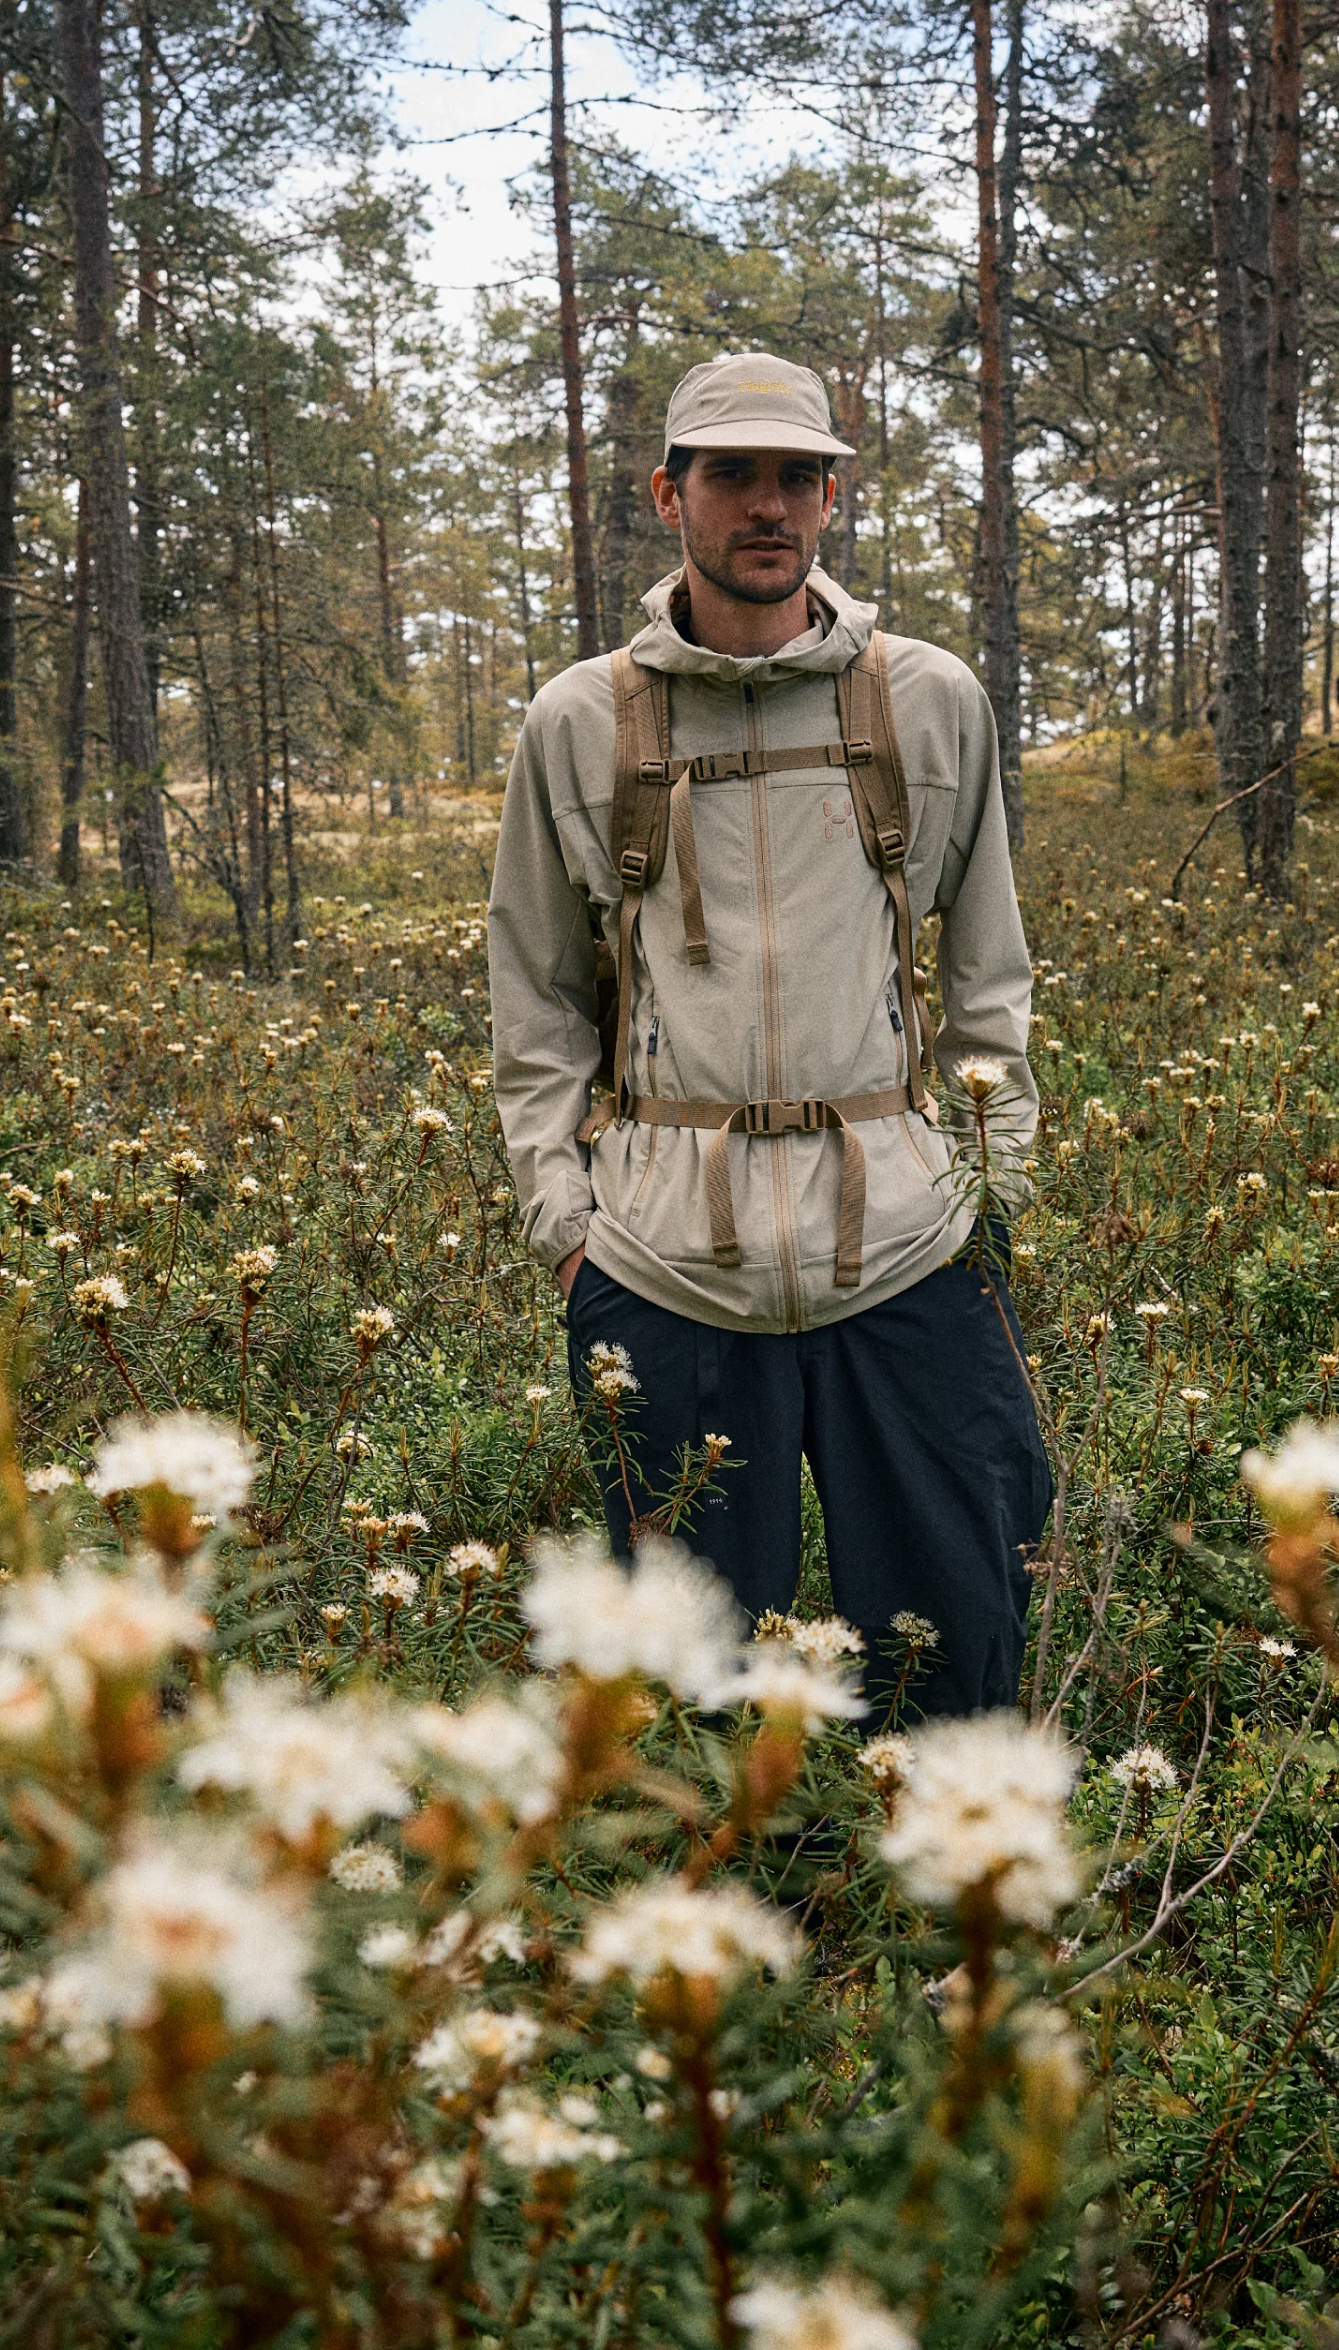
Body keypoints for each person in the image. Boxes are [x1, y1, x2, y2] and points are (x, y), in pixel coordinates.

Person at [487, 350, 1051, 1717]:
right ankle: (735, 1913)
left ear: (833, 499)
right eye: (731, 474)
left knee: (957, 1635)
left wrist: (992, 1193)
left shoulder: (927, 701)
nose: (768, 506)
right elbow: (539, 998)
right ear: (667, 493)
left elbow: (989, 977)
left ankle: (938, 1912)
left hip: (911, 1250)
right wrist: (571, 1229)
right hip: (665, 1264)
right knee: (686, 1678)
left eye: (798, 476)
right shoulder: (578, 722)